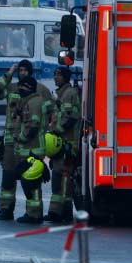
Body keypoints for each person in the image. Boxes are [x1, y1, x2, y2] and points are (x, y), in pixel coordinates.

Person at [0, 59, 52, 220]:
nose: (22, 73)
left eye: (25, 70)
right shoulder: (11, 88)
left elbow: (52, 112)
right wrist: (8, 75)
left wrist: (45, 131)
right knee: (8, 175)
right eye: (20, 70)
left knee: (30, 178)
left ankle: (34, 212)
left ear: (30, 72)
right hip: (11, 142)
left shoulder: (41, 91)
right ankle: (6, 209)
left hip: (30, 143)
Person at [45, 66, 81, 222]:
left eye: (58, 75)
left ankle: (61, 213)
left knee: (63, 178)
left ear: (66, 77)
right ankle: (57, 211)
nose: (55, 77)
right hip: (59, 143)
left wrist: (56, 131)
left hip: (67, 143)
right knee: (59, 177)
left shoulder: (70, 94)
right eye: (54, 75)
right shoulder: (60, 94)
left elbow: (72, 118)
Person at [14, 75, 47, 224]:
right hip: (30, 149)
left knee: (32, 183)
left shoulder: (34, 103)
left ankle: (34, 214)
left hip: (33, 149)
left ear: (28, 87)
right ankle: (32, 212)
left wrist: (21, 138)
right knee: (29, 182)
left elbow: (33, 125)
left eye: (22, 86)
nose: (19, 89)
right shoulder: (30, 101)